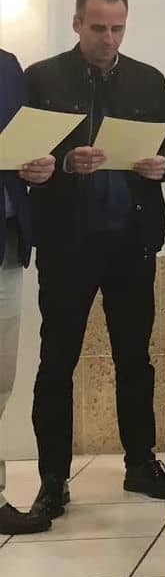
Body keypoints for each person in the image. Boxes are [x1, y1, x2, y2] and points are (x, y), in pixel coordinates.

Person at [25, 0, 165, 518]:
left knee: (135, 356)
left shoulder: (149, 81)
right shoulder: (41, 78)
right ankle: (52, 479)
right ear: (76, 23)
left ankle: (139, 463)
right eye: (98, 28)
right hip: (67, 240)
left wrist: (164, 167)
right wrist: (60, 166)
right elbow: (23, 156)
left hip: (132, 238)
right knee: (56, 360)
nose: (108, 39)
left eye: (117, 28)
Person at [0, 49, 56, 535]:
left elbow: (22, 148)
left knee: (0, 379)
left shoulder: (7, 67)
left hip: (7, 244)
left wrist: (38, 169)